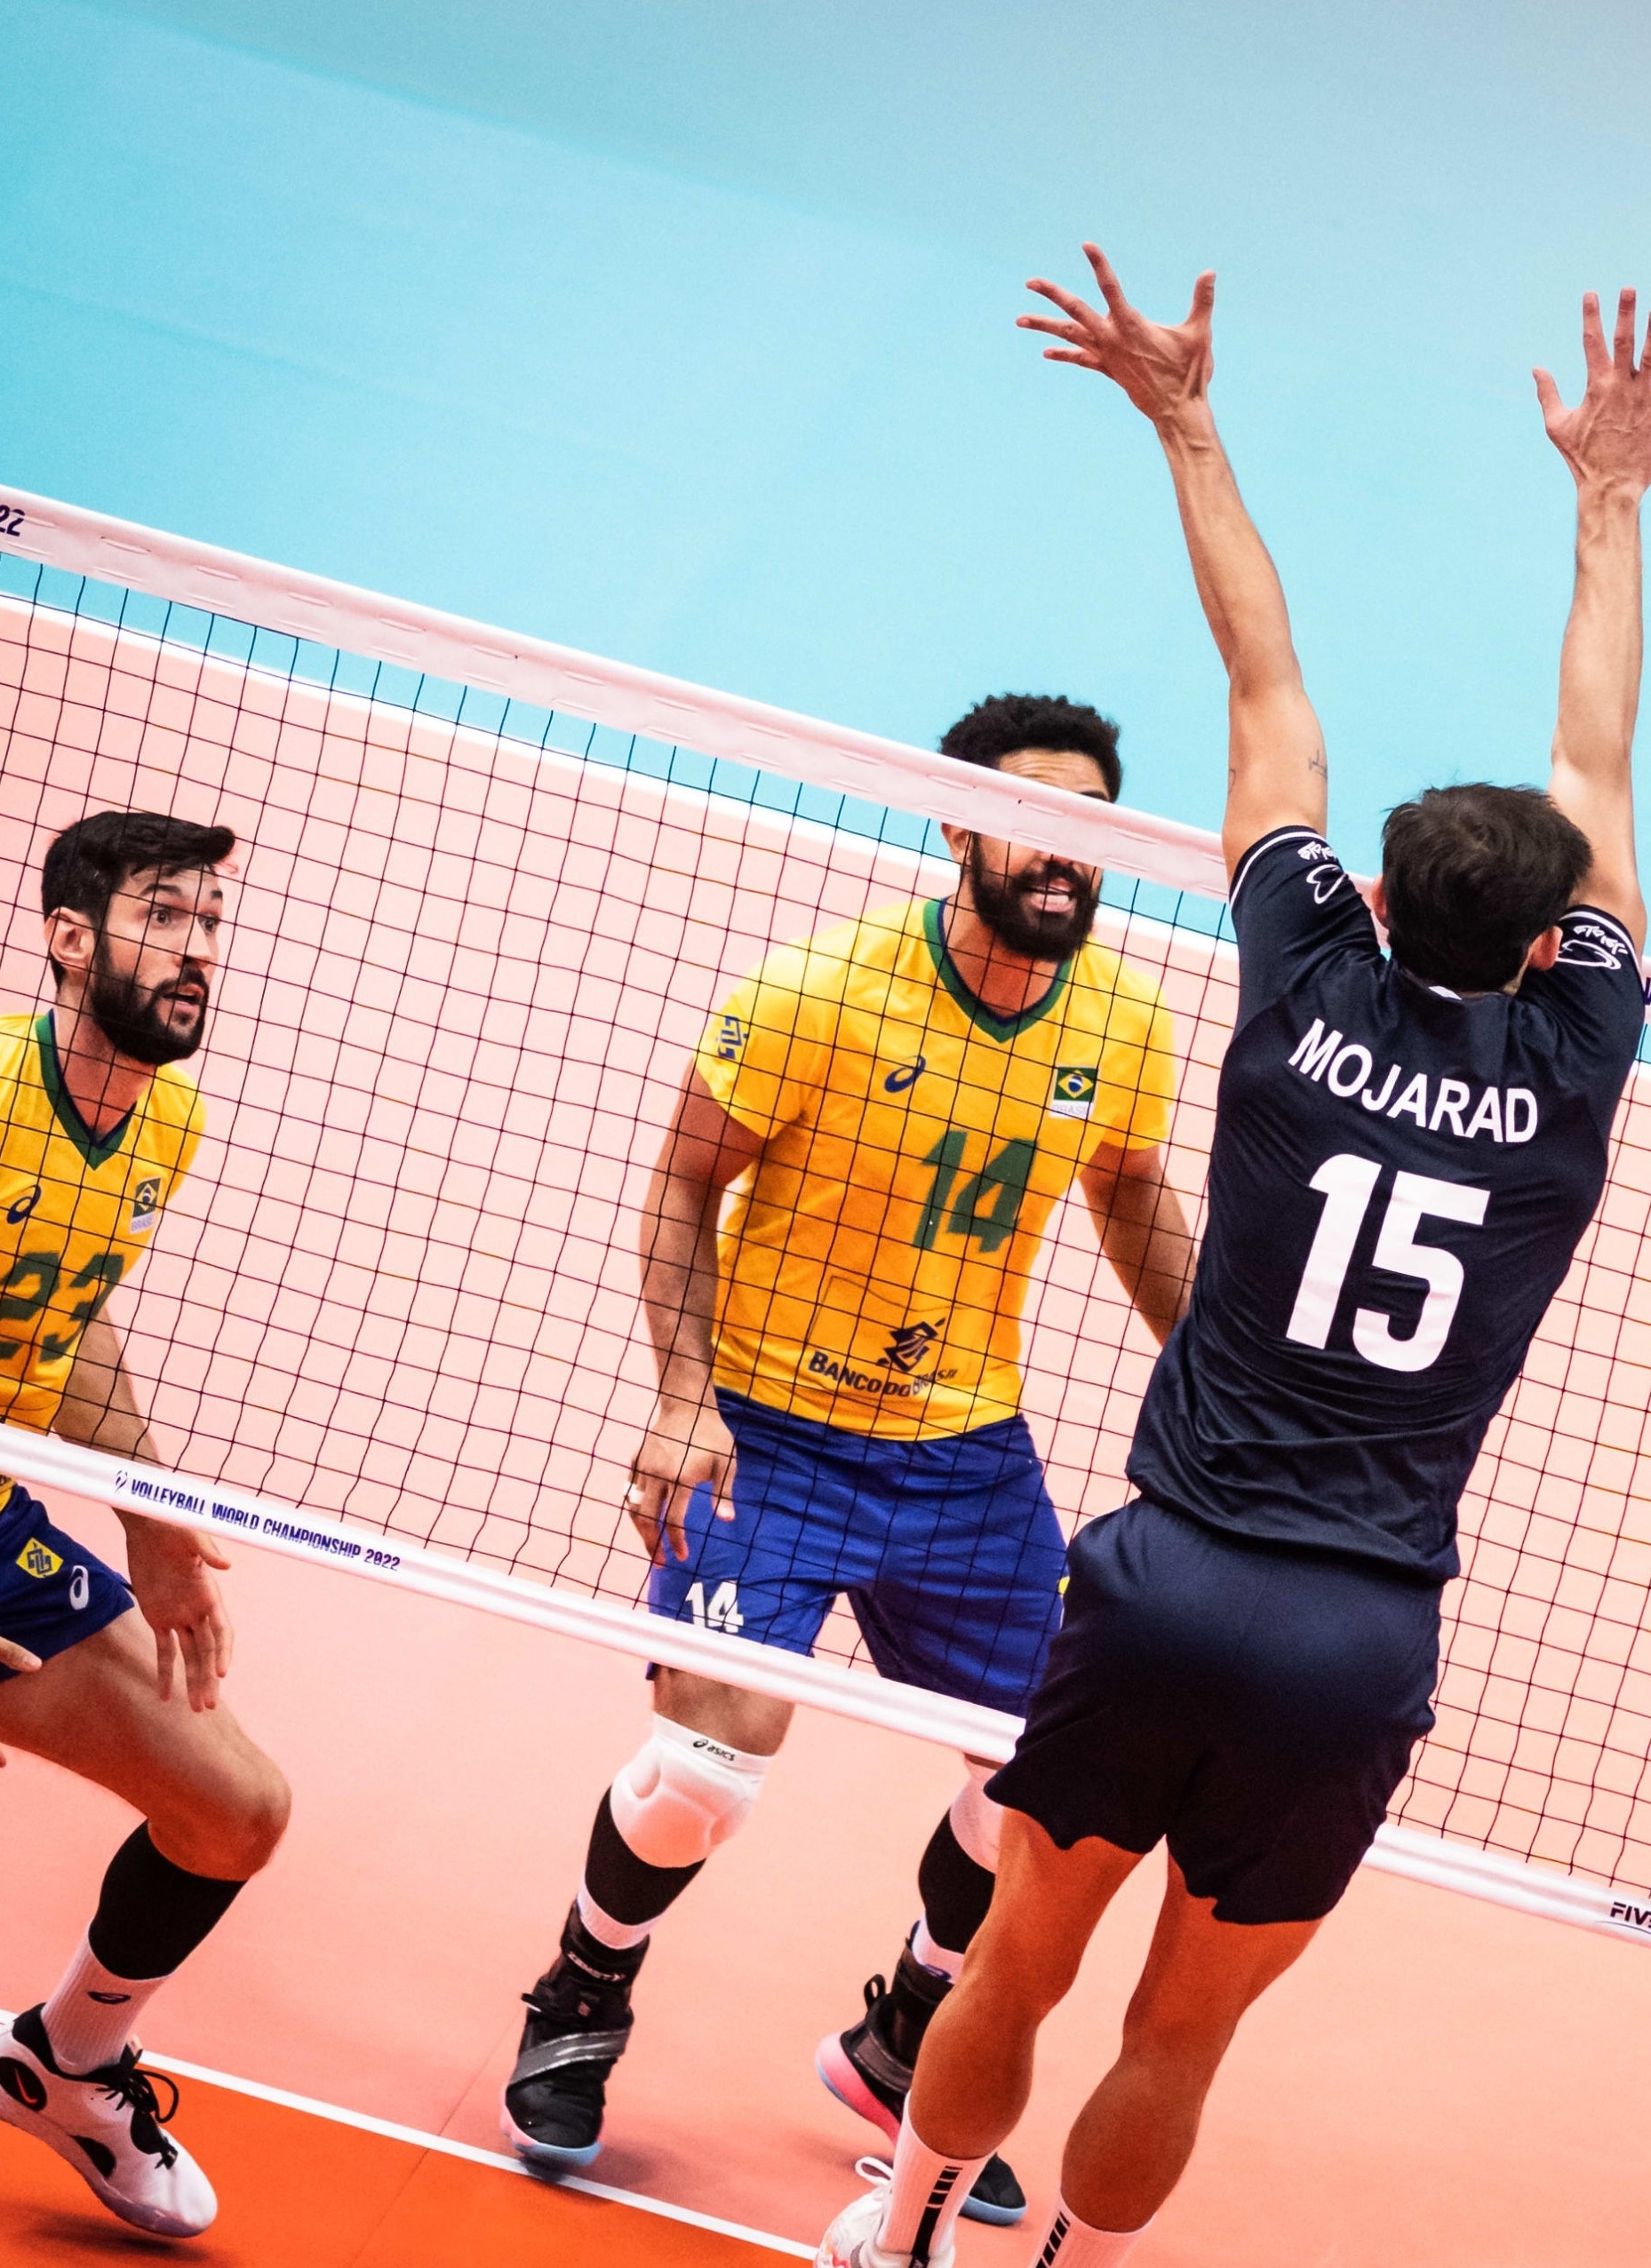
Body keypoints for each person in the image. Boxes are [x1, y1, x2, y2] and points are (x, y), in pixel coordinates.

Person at [804, 248, 1651, 2268]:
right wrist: (1610, 499)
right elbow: (1602, 771)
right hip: (1354, 1631)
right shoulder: (1575, 1053)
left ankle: (911, 2218)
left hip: (1161, 1569)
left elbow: (1265, 682)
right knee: (1178, 2035)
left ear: (1370, 899)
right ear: (1556, 943)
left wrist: (1185, 418)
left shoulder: (1301, 980)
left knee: (1012, 1964)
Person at [498, 696, 1195, 2226]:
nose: (1063, 855)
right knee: (705, 1763)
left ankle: (902, 2042)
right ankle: (580, 1990)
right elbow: (685, 1180)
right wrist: (685, 1396)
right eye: (1032, 819)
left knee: (1048, 1790)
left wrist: (1213, 1374)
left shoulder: (1122, 1024)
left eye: (1092, 825)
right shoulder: (820, 994)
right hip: (773, 1432)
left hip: (966, 1459)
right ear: (954, 824)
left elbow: (1131, 1192)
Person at [0, 813, 290, 2240]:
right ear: (69, 938)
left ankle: (60, 2060)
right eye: (162, 915)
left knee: (236, 1811)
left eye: (209, 923)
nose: (195, 949)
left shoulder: (158, 1120)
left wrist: (154, 1514)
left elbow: (80, 1302)